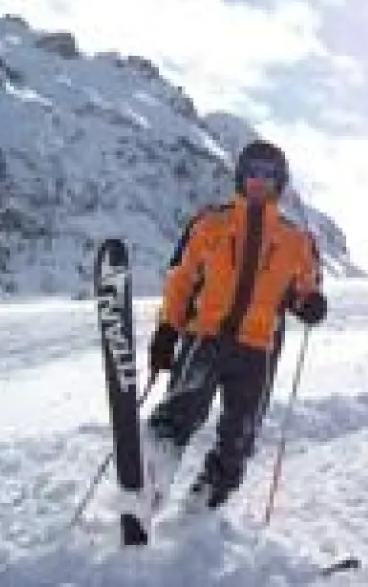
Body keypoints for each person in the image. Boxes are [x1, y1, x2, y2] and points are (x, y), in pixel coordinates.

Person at [142, 139, 327, 512]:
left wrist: (310, 304)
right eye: (253, 172)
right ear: (241, 176)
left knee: (240, 435)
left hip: (257, 350)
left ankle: (204, 506)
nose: (260, 180)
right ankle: (145, 489)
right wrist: (167, 330)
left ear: (280, 182)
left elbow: (303, 291)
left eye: (269, 175)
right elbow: (181, 281)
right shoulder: (211, 223)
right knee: (179, 413)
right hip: (205, 338)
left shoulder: (296, 240)